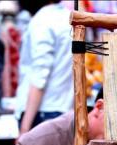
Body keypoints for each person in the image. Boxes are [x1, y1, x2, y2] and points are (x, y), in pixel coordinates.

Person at [15, 0, 73, 135]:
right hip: (64, 111)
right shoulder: (69, 17)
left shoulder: (42, 21)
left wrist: (25, 128)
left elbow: (40, 75)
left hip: (42, 114)